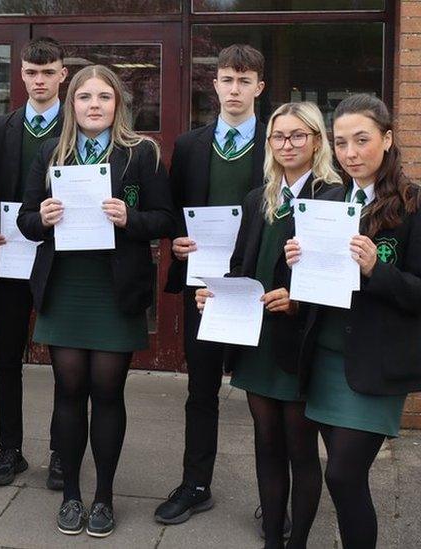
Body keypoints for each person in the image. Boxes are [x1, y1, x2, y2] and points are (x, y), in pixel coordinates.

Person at [18, 65, 174, 538]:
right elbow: (25, 221)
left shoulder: (140, 154)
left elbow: (165, 219)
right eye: (84, 96)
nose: (93, 105)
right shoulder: (51, 151)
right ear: (72, 104)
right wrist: (41, 218)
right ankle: (70, 496)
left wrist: (131, 218)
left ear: (117, 104)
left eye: (103, 97)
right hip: (66, 288)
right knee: (68, 393)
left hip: (114, 291)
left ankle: (103, 496)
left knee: (107, 393)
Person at [196, 102, 341, 547]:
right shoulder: (259, 197)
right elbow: (241, 264)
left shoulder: (334, 196)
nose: (287, 144)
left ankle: (296, 541)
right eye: (279, 136)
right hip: (254, 340)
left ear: (317, 140)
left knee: (300, 448)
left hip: (298, 343)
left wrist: (299, 301)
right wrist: (215, 295)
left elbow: (338, 278)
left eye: (298, 135)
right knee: (266, 444)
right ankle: (274, 538)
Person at [285, 94, 421, 549]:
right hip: (324, 356)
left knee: (343, 474)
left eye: (362, 140)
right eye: (341, 143)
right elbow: (315, 287)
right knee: (343, 480)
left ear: (386, 139)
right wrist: (296, 265)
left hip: (375, 365)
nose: (351, 153)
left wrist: (375, 271)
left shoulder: (413, 206)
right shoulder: (327, 198)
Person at [157, 43, 268, 526]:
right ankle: (195, 484)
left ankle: (277, 495)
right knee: (200, 391)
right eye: (227, 79)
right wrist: (177, 241)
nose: (234, 89)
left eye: (244, 81)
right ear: (215, 84)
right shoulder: (189, 145)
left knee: (269, 397)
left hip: (263, 289)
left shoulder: (278, 141)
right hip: (204, 286)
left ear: (259, 87)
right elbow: (174, 213)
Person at [0, 36, 66, 488]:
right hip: (11, 251)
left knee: (62, 361)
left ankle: (60, 451)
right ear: (21, 74)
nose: (39, 80)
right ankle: (9, 448)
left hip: (60, 256)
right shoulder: (1, 126)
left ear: (62, 75)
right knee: (7, 357)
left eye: (48, 72)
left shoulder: (77, 127)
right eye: (32, 72)